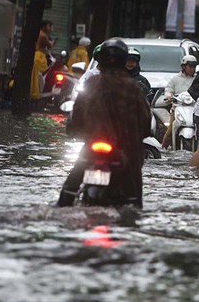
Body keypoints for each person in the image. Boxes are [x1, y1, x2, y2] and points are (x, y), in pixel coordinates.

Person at [57, 38, 152, 207]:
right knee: (134, 199)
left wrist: (74, 131)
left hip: (94, 143)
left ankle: (63, 203)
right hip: (125, 149)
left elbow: (76, 116)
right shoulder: (133, 88)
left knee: (71, 185)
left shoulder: (92, 83)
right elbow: (145, 122)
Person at [161, 55, 198, 148]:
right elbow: (168, 90)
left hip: (195, 109)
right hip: (178, 108)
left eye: (194, 66)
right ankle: (163, 149)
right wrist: (169, 96)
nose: (192, 69)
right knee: (170, 131)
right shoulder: (175, 79)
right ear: (184, 66)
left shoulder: (197, 79)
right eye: (190, 66)